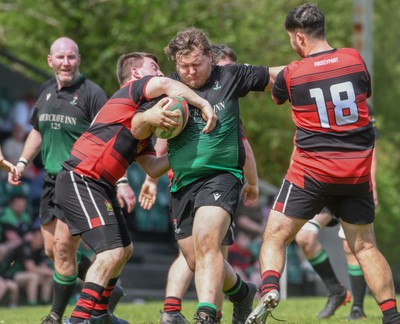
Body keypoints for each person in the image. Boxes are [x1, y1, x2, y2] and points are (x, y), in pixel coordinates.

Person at [245, 4, 400, 324]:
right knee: (366, 247)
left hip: (311, 173)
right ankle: (391, 316)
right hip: (355, 173)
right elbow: (361, 93)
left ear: (299, 38)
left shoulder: (292, 73)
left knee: (275, 236)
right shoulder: (355, 60)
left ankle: (270, 287)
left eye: (291, 38)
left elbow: (273, 87)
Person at [132, 28, 284, 324]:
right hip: (182, 182)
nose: (190, 72)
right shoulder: (167, 87)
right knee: (193, 257)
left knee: (207, 241)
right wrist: (148, 118)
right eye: (183, 66)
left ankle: (206, 314)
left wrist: (319, 69)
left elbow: (276, 76)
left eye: (196, 65)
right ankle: (241, 292)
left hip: (222, 176)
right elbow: (136, 125)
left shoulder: (230, 75)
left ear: (210, 57)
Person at [55, 51, 216, 324]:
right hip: (81, 177)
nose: (162, 74)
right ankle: (78, 319)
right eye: (155, 68)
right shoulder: (131, 91)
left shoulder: (141, 113)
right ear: (138, 75)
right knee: (111, 252)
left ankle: (100, 315)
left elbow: (152, 168)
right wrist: (203, 103)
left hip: (99, 184)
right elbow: (165, 86)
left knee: (124, 250)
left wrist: (187, 152)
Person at [8, 37, 133, 324]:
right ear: (49, 61)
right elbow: (37, 131)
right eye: (61, 58)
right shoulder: (47, 90)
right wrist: (23, 162)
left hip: (79, 179)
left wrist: (122, 181)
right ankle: (107, 290)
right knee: (54, 251)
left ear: (79, 59)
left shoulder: (93, 94)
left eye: (72, 57)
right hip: (50, 181)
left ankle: (56, 315)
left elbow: (113, 139)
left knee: (65, 247)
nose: (66, 63)